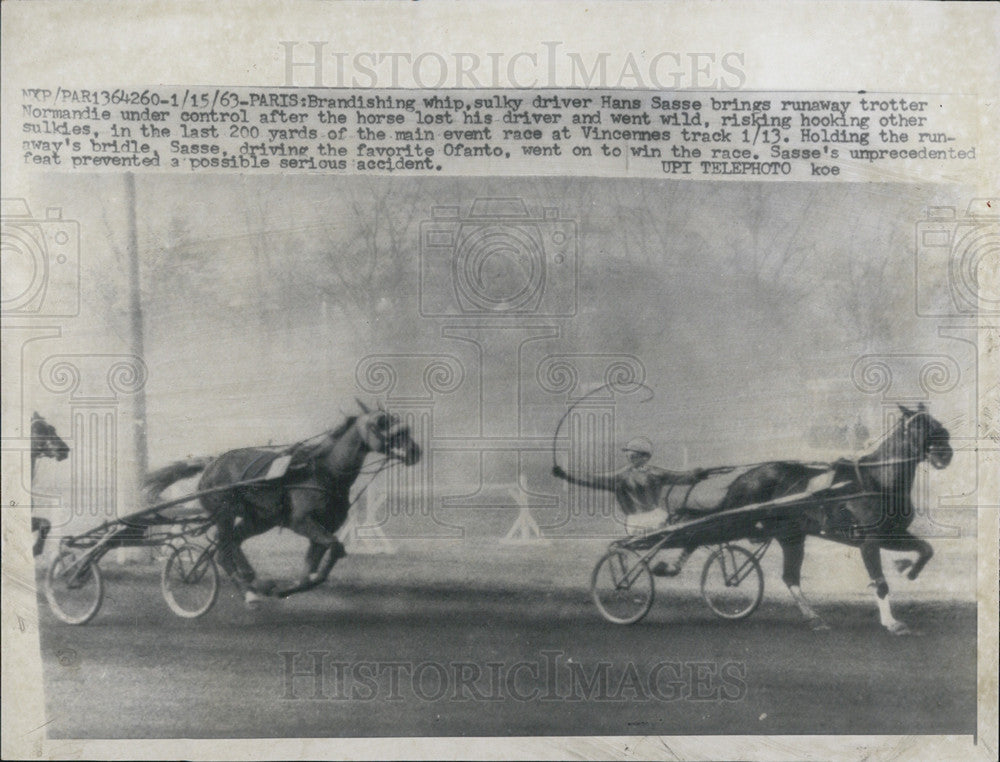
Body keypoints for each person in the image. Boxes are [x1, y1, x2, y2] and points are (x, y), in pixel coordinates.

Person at [552, 437, 707, 575]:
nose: (631, 457)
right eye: (630, 454)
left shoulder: (656, 472)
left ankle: (676, 566)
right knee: (683, 527)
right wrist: (566, 475)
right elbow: (592, 479)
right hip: (638, 522)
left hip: (658, 517)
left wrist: (697, 474)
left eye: (634, 454)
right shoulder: (622, 476)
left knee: (693, 527)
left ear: (645, 457)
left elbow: (681, 477)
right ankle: (673, 566)